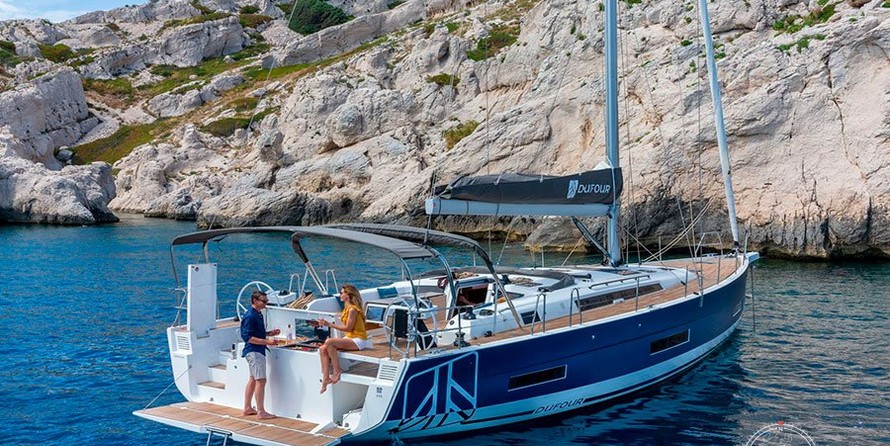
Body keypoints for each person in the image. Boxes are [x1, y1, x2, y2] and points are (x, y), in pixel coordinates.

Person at [317, 285, 372, 393]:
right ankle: (326, 378)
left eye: (342, 293)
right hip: (350, 337)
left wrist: (329, 324)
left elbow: (348, 328)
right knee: (323, 349)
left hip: (358, 340)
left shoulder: (352, 310)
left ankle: (337, 370)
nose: (340, 295)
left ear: (348, 295)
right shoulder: (346, 309)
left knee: (329, 342)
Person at [241, 290, 280, 419]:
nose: (265, 304)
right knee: (261, 381)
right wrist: (267, 341)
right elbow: (248, 337)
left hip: (255, 351)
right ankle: (261, 412)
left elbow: (256, 333)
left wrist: (269, 333)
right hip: (254, 352)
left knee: (253, 379)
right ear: (255, 301)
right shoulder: (250, 316)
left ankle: (247, 407)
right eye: (264, 301)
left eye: (266, 301)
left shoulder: (258, 314)